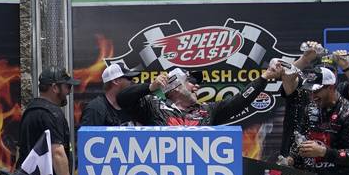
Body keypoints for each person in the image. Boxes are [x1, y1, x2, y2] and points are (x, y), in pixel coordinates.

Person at [118, 63, 285, 126]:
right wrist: (149, 87)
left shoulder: (207, 110)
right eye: (190, 81)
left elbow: (240, 101)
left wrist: (264, 77)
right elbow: (122, 98)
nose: (197, 86)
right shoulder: (152, 106)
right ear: (174, 86)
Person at [17, 68, 79, 175]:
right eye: (67, 87)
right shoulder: (52, 113)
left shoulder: (30, 109)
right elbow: (57, 153)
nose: (69, 92)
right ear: (55, 88)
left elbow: (21, 150)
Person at [79, 61, 139, 129]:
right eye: (129, 78)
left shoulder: (131, 106)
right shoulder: (95, 109)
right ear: (116, 81)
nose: (133, 82)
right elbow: (88, 138)